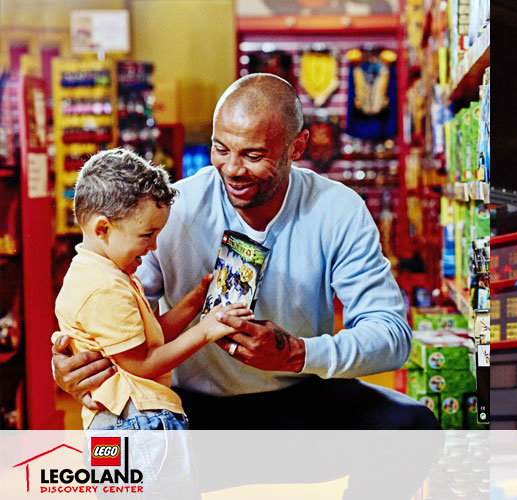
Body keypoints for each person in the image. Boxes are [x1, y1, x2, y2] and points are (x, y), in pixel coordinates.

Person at [52, 73, 439, 430]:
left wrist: (297, 354)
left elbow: (391, 337)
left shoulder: (337, 209)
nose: (232, 169)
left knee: (412, 426)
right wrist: (70, 365)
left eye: (254, 155)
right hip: (190, 407)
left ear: (297, 146)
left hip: (302, 395)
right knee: (121, 462)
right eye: (221, 149)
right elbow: (113, 311)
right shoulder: (165, 212)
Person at [55, 148, 252, 431]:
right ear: (103, 228)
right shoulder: (103, 288)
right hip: (136, 418)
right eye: (147, 235)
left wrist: (195, 301)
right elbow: (144, 363)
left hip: (134, 416)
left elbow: (150, 342)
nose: (154, 247)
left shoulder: (106, 273)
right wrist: (205, 331)